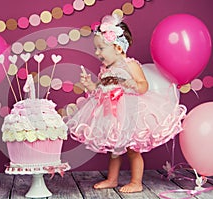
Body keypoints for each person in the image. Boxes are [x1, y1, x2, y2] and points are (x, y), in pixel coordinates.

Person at [66, 14, 186, 193]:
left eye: (100, 48)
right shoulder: (106, 70)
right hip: (111, 113)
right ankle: (112, 179)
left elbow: (143, 86)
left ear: (117, 48)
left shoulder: (130, 65)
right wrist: (89, 84)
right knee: (114, 150)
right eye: (96, 49)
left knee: (132, 149)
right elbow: (100, 89)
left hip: (130, 111)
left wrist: (133, 84)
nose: (97, 53)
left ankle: (136, 182)